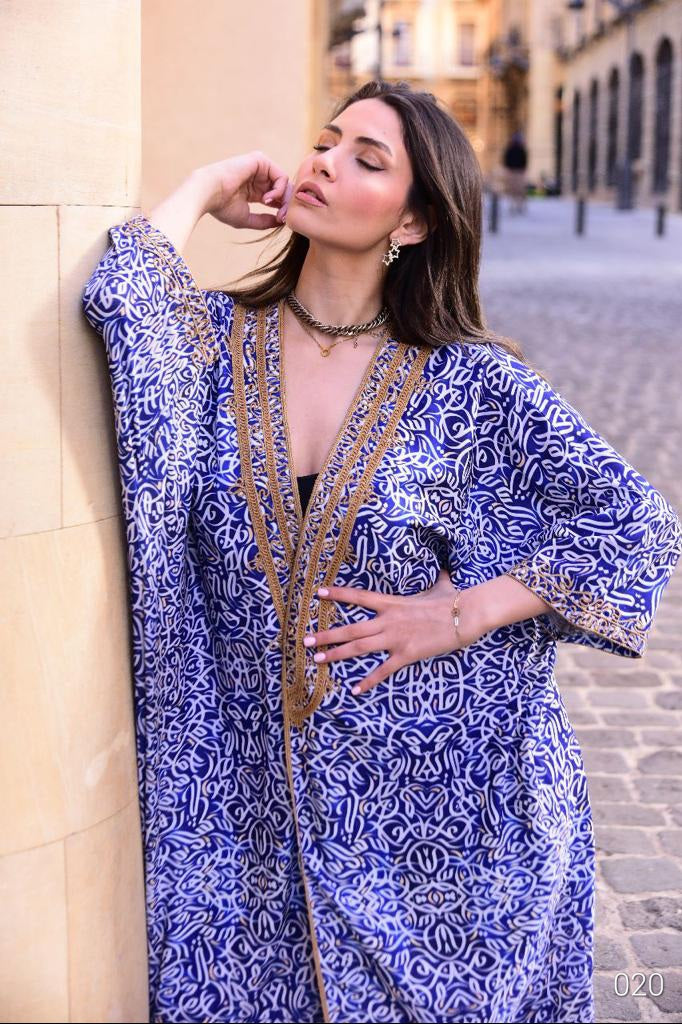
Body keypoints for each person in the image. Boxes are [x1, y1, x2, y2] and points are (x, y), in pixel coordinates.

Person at [81, 80, 682, 1024]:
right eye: (326, 142)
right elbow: (123, 295)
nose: (324, 162)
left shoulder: (468, 380)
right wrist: (204, 187)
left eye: (368, 159)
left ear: (413, 223)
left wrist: (462, 611)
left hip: (440, 827)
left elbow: (635, 523)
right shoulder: (211, 345)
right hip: (241, 819)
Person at [503, 130, 528, 213]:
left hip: (518, 171)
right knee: (513, 189)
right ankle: (514, 205)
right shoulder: (511, 149)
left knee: (519, 190)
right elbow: (506, 159)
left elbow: (524, 160)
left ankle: (519, 205)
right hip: (513, 171)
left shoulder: (521, 149)